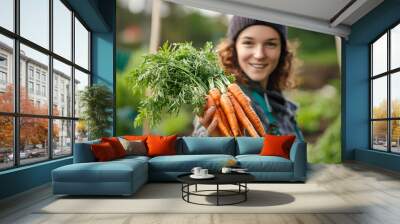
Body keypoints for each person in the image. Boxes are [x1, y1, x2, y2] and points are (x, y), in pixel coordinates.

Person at [192, 16, 304, 140]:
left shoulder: (278, 101)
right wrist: (213, 139)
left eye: (270, 44)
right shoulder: (220, 100)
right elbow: (201, 150)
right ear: (234, 48)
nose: (259, 54)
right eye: (248, 43)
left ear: (282, 51)